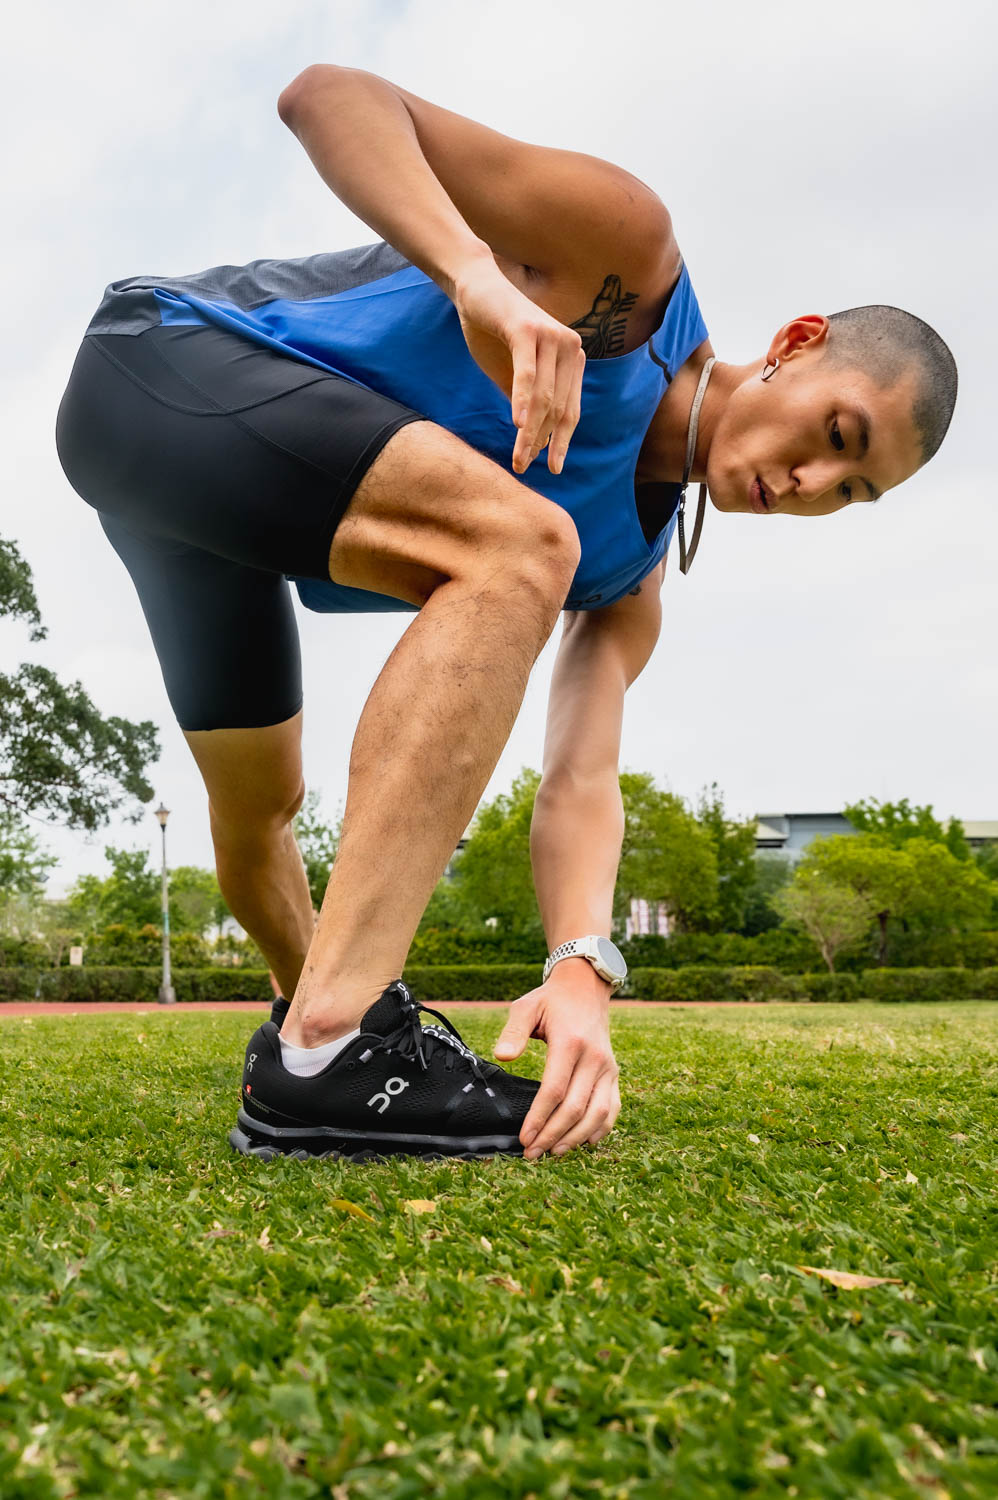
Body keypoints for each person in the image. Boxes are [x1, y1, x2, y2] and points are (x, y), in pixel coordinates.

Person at [55, 65, 957, 1162]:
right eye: (837, 434)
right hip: (158, 367)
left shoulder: (627, 583)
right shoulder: (625, 263)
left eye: (849, 492)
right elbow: (328, 97)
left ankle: (320, 1056)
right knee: (524, 539)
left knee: (260, 818)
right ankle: (336, 1038)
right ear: (797, 342)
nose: (812, 482)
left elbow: (578, 777)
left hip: (210, 512)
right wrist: (478, 279)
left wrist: (580, 965)